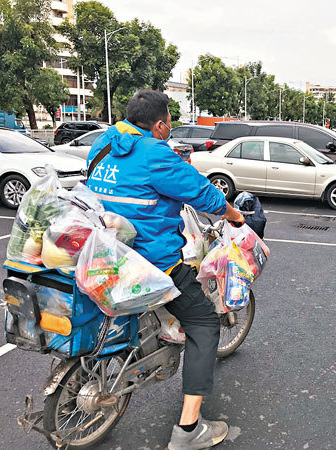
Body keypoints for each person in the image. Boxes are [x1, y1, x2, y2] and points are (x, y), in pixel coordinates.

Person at [86, 89, 245, 449]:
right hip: (149, 263)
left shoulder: (104, 143)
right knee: (204, 324)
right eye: (169, 122)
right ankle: (190, 431)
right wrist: (234, 216)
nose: (169, 128)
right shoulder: (157, 154)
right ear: (159, 125)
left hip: (100, 255)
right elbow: (203, 194)